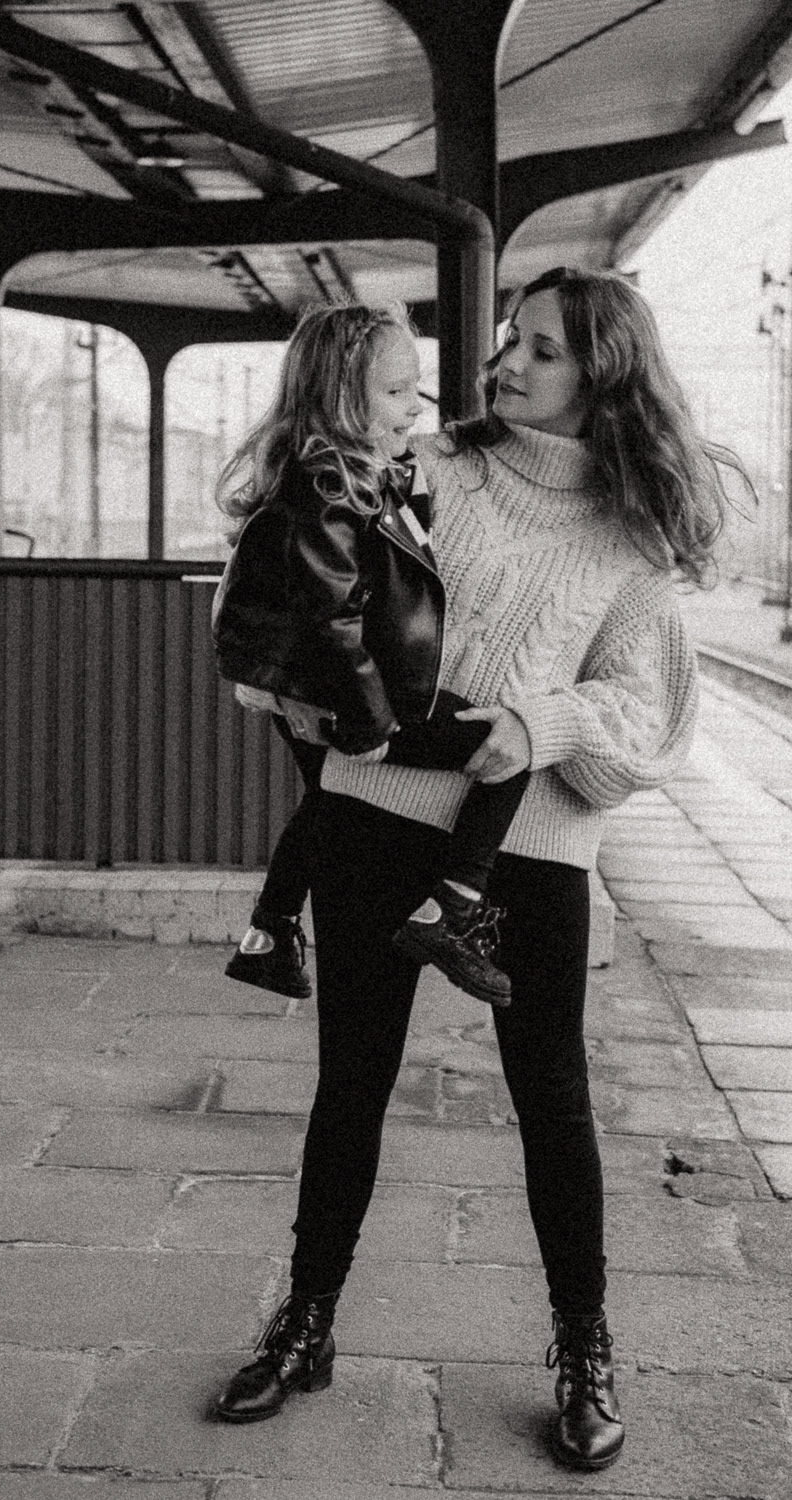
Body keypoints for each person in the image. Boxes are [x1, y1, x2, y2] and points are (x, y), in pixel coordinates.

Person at [214, 267, 746, 1473]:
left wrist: (541, 721)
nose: (506, 363)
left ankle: (584, 1348)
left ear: (602, 373)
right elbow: (305, 556)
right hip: (371, 817)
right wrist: (292, 676)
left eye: (542, 350)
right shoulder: (432, 464)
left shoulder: (630, 538)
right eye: (510, 338)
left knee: (552, 1099)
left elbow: (646, 722)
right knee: (350, 1083)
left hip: (528, 847)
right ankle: (305, 1323)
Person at [212, 301, 531, 1007]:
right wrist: (368, 722)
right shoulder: (327, 487)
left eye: (415, 388)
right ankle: (452, 909)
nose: (415, 407)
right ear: (338, 397)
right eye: (394, 391)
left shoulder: (353, 474)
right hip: (339, 689)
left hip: (327, 685)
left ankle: (268, 935)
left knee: (326, 801)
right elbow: (331, 615)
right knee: (507, 749)